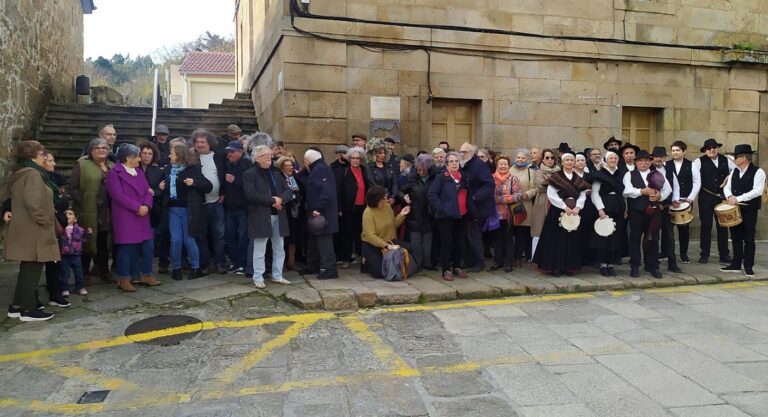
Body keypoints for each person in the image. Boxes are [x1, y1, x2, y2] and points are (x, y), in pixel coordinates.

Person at [3, 141, 60, 321]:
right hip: (35, 229)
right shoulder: (34, 174)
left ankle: (17, 305)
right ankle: (28, 310)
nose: (44, 156)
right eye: (42, 153)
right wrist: (46, 222)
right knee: (33, 269)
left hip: (26, 228)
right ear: (34, 155)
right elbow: (34, 203)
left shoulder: (20, 172)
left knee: (28, 268)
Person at [105, 144, 161, 292]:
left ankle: (146, 274)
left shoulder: (138, 172)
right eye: (137, 156)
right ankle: (124, 278)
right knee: (127, 247)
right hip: (126, 216)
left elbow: (147, 191)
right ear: (129, 157)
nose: (140, 158)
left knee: (147, 246)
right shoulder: (114, 173)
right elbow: (117, 196)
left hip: (142, 215)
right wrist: (137, 207)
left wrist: (146, 206)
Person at [159, 141, 212, 280]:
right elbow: (160, 191)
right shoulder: (167, 169)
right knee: (175, 240)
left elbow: (208, 186)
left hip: (189, 210)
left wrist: (194, 183)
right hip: (172, 210)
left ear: (180, 155)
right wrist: (160, 188)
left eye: (172, 153)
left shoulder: (193, 169)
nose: (170, 155)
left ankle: (195, 267)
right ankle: (176, 268)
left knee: (190, 240)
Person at [532, 152, 590, 277]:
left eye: (571, 160)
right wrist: (564, 207)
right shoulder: (556, 177)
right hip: (558, 210)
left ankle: (569, 267)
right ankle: (555, 267)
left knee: (572, 239)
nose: (569, 162)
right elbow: (551, 194)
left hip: (574, 211)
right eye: (567, 160)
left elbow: (582, 194)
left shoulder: (578, 179)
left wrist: (578, 207)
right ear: (562, 163)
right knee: (556, 240)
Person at [243, 145, 293, 288]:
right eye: (266, 155)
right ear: (257, 158)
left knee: (279, 247)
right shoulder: (249, 174)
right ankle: (258, 277)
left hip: (278, 214)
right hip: (261, 215)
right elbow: (251, 194)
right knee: (259, 249)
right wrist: (273, 201)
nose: (270, 157)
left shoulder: (276, 172)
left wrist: (281, 199)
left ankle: (277, 275)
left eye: (270, 155)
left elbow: (287, 190)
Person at [70, 138, 115, 284]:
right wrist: (83, 202)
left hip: (106, 211)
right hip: (88, 210)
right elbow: (73, 188)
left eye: (104, 148)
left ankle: (104, 271)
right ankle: (83, 274)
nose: (101, 150)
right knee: (87, 242)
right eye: (97, 148)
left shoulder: (112, 166)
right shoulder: (82, 164)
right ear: (91, 150)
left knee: (103, 242)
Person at [623, 150, 671, 279]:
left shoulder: (657, 174)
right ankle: (635, 266)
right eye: (640, 161)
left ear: (650, 162)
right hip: (636, 211)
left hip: (653, 212)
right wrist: (642, 191)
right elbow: (627, 191)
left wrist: (660, 196)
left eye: (646, 161)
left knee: (653, 239)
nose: (643, 163)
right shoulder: (629, 175)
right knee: (635, 238)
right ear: (636, 163)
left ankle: (652, 266)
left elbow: (668, 189)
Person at [721, 144, 765, 278]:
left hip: (749, 209)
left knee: (749, 238)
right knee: (735, 236)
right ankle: (736, 263)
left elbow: (757, 191)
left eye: (736, 156)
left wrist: (738, 198)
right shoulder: (734, 171)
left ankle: (748, 266)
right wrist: (729, 196)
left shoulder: (758, 172)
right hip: (735, 208)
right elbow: (727, 187)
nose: (734, 159)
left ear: (744, 157)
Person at [428, 151, 470, 281]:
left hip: (462, 215)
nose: (454, 164)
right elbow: (432, 194)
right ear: (446, 164)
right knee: (447, 243)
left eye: (456, 161)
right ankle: (446, 270)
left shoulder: (464, 176)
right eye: (451, 161)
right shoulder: (442, 177)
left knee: (460, 243)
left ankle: (457, 267)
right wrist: (442, 208)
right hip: (445, 216)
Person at [694, 138, 736, 264]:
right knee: (706, 226)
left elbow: (737, 170)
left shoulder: (726, 160)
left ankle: (724, 255)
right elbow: (694, 178)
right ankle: (704, 254)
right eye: (708, 148)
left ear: (717, 148)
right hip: (706, 196)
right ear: (705, 150)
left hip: (722, 197)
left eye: (714, 147)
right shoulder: (698, 161)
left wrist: (729, 178)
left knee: (723, 226)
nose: (712, 150)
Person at [192, 128, 228, 274]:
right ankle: (205, 263)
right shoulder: (192, 158)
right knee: (201, 235)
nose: (200, 145)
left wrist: (224, 193)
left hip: (216, 202)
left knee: (219, 234)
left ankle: (219, 262)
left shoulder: (219, 157)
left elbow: (225, 176)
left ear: (210, 143)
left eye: (203, 142)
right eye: (197, 142)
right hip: (199, 204)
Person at [301, 149, 339, 279]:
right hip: (318, 212)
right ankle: (313, 265)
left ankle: (330, 269)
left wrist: (318, 208)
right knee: (314, 239)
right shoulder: (320, 168)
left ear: (308, 160)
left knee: (324, 241)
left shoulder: (320, 169)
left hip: (322, 213)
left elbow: (326, 191)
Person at [459, 142, 496, 272]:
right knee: (467, 234)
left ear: (471, 153)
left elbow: (489, 185)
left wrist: (475, 197)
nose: (462, 154)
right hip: (467, 207)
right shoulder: (465, 164)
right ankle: (469, 261)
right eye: (461, 152)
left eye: (465, 152)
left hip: (478, 207)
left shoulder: (479, 166)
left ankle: (478, 263)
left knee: (474, 235)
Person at [360, 186, 412, 278]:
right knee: (380, 273)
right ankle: (366, 261)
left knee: (412, 249)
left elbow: (393, 225)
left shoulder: (387, 207)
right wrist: (387, 246)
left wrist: (401, 214)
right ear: (377, 199)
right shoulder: (367, 213)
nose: (386, 196)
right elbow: (370, 236)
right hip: (372, 244)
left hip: (389, 241)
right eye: (384, 196)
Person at [591, 151, 625, 277]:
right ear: (606, 160)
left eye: (615, 158)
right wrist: (600, 209)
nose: (613, 160)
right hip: (605, 207)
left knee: (615, 236)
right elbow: (595, 193)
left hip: (619, 206)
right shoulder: (600, 175)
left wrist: (625, 208)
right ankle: (603, 265)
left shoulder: (621, 174)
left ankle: (611, 264)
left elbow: (624, 192)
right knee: (604, 236)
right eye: (610, 158)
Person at [399, 154, 436, 270]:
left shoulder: (435, 178)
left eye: (423, 170)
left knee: (427, 244)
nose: (420, 172)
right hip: (415, 215)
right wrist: (403, 196)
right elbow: (400, 191)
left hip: (429, 215)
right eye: (418, 169)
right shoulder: (412, 178)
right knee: (416, 244)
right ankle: (416, 265)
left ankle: (427, 263)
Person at [665, 140, 699, 264]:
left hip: (686, 200)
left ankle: (684, 253)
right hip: (671, 201)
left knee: (684, 229)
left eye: (678, 150)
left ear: (684, 151)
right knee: (667, 229)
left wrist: (690, 198)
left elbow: (697, 182)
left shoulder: (692, 165)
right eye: (673, 150)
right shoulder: (666, 164)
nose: (675, 152)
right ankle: (666, 252)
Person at [336, 146, 369, 269]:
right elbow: (338, 191)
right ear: (349, 159)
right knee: (347, 234)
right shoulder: (344, 172)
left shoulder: (365, 170)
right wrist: (339, 208)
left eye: (358, 158)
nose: (355, 160)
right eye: (353, 158)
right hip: (348, 208)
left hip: (363, 207)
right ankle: (346, 258)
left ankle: (363, 257)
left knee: (362, 233)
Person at [137, 141, 168, 273]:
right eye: (144, 153)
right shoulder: (133, 169)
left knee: (151, 241)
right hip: (136, 208)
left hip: (153, 210)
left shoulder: (157, 172)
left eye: (149, 153)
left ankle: (148, 270)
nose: (146, 156)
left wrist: (154, 192)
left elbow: (162, 190)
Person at [223, 141, 253, 274]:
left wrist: (234, 180)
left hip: (242, 208)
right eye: (228, 151)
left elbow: (249, 185)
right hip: (230, 206)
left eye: (232, 151)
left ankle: (242, 263)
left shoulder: (246, 163)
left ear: (240, 152)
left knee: (242, 236)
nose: (229, 154)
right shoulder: (229, 164)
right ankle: (236, 262)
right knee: (230, 236)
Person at [651, 147, 681, 273]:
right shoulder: (648, 170)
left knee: (669, 235)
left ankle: (672, 263)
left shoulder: (669, 170)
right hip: (653, 207)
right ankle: (653, 263)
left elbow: (676, 186)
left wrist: (675, 200)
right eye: (656, 156)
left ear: (664, 158)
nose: (658, 159)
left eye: (661, 156)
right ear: (652, 158)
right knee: (654, 236)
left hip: (667, 207)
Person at [490, 155, 521, 273]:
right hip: (495, 213)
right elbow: (490, 196)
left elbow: (517, 196)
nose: (503, 166)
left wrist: (500, 199)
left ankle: (509, 263)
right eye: (501, 164)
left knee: (508, 239)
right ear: (497, 165)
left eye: (505, 164)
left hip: (509, 214)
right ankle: (497, 262)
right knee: (497, 239)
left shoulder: (513, 179)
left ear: (509, 166)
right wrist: (506, 198)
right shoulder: (491, 178)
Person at [508, 148, 536, 264]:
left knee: (526, 232)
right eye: (518, 157)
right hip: (513, 205)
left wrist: (527, 194)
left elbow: (535, 188)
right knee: (516, 231)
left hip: (526, 204)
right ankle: (517, 256)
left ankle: (529, 255)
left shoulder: (531, 172)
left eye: (523, 158)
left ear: (527, 159)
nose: (520, 160)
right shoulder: (509, 170)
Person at [530, 148, 560, 258]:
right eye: (547, 157)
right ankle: (535, 257)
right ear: (542, 159)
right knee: (538, 230)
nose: (550, 160)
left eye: (552, 157)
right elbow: (540, 187)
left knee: (555, 231)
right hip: (542, 202)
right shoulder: (538, 172)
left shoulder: (560, 172)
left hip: (557, 202)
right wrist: (556, 183)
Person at [276, 155, 303, 270]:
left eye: (291, 165)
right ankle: (280, 263)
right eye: (286, 166)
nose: (289, 168)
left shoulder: (296, 177)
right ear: (281, 167)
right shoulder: (279, 178)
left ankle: (291, 261)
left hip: (294, 211)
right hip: (283, 211)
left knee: (293, 236)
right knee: (282, 237)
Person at [58, 209, 91, 296]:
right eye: (65, 214)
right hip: (64, 255)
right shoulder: (60, 229)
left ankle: (80, 287)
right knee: (64, 273)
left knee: (79, 272)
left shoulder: (79, 229)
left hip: (76, 254)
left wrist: (88, 233)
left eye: (70, 214)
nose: (67, 215)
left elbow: (84, 239)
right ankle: (64, 288)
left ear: (75, 218)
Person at [365, 137, 397, 203]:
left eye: (384, 153)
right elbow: (372, 184)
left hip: (389, 200)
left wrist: (393, 197)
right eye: (380, 153)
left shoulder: (389, 166)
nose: (383, 155)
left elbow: (394, 183)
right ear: (374, 154)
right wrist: (384, 196)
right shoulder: (369, 167)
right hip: (376, 200)